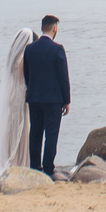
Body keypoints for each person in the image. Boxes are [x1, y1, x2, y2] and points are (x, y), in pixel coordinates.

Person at [22, 14, 71, 178]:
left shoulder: (30, 49)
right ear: (54, 28)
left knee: (35, 132)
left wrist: (32, 90)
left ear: (42, 28)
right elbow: (63, 76)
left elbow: (26, 75)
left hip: (35, 98)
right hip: (53, 100)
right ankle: (48, 167)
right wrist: (67, 100)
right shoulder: (57, 49)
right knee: (51, 134)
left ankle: (35, 166)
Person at [0, 26, 34, 176]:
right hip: (20, 95)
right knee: (21, 127)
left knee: (12, 125)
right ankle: (18, 159)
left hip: (12, 94)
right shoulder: (22, 58)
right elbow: (23, 80)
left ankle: (9, 153)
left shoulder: (12, 58)